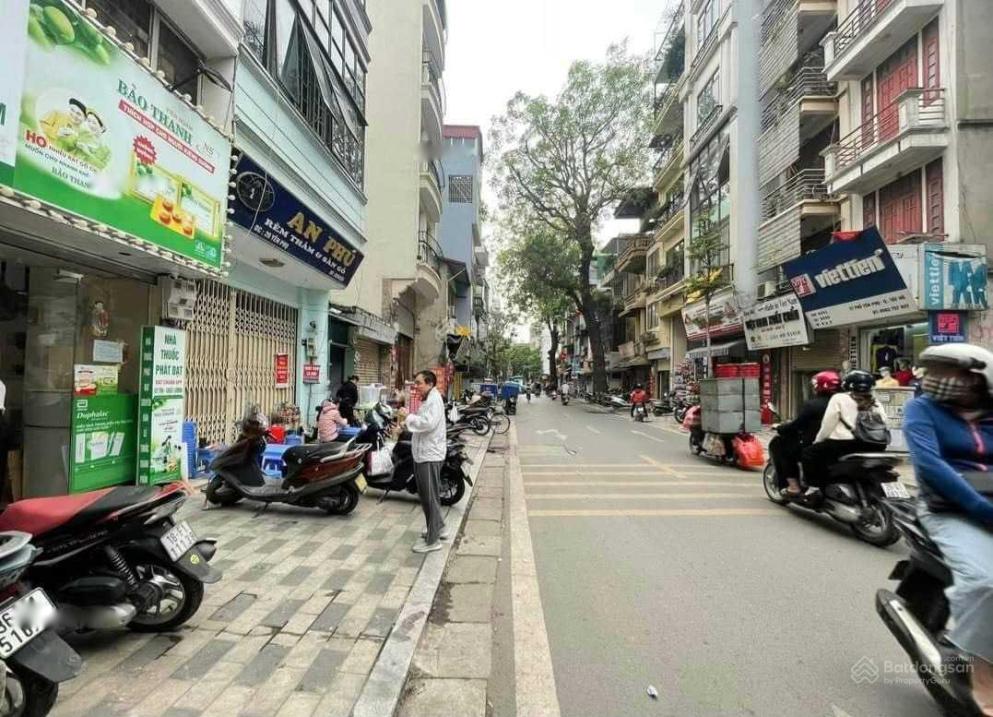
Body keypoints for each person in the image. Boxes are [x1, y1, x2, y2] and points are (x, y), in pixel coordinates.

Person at [903, 344, 993, 715]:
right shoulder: (921, 409)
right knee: (985, 582)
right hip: (948, 507)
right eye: (933, 371)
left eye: (948, 372)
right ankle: (978, 670)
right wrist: (982, 509)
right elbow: (931, 467)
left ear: (980, 378)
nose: (936, 379)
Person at [801, 370, 888, 488]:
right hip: (876, 445)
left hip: (845, 445)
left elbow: (828, 424)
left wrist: (818, 441)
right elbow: (885, 422)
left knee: (809, 453)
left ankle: (814, 488)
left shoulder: (839, 398)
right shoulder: (875, 401)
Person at [769, 370, 840, 498]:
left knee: (782, 447)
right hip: (842, 443)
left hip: (816, 443)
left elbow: (797, 425)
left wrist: (780, 428)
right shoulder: (847, 402)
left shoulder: (813, 405)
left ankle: (794, 487)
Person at [398, 370, 448, 553]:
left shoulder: (434, 400)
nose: (416, 386)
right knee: (426, 495)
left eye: (418, 383)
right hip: (423, 453)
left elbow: (427, 423)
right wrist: (408, 422)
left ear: (429, 383)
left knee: (429, 498)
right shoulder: (428, 399)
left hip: (429, 455)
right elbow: (422, 422)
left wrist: (408, 417)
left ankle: (433, 541)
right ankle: (439, 527)